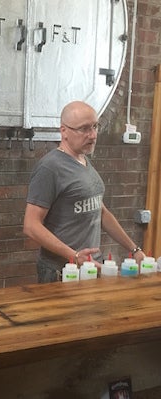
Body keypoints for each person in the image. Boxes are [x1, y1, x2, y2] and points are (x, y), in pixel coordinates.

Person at [23, 100, 145, 283]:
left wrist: (134, 249)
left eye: (95, 126)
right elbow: (31, 226)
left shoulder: (83, 160)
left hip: (90, 266)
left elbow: (101, 212)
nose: (93, 135)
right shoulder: (50, 168)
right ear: (63, 131)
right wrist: (75, 256)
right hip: (62, 271)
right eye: (84, 129)